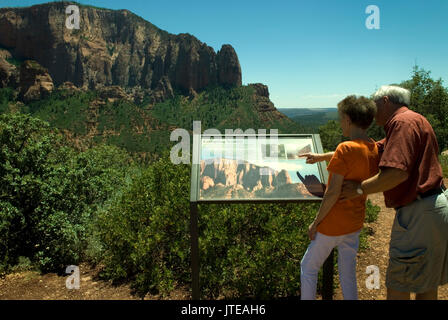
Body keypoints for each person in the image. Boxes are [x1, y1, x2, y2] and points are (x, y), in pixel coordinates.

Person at [339, 85, 448, 300]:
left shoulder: (401, 123)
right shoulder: (414, 120)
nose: (372, 109)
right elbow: (371, 150)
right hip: (434, 208)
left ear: (386, 101)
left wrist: (359, 189)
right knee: (426, 282)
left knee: (400, 282)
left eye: (374, 103)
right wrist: (325, 156)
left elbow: (396, 174)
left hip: (418, 214)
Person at [299, 95, 379, 300]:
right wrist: (321, 156)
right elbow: (350, 154)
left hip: (332, 224)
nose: (340, 122)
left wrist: (315, 223)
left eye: (341, 118)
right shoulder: (372, 147)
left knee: (308, 267)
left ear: (348, 120)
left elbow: (332, 192)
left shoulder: (345, 148)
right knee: (347, 273)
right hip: (354, 223)